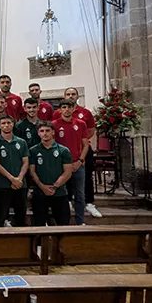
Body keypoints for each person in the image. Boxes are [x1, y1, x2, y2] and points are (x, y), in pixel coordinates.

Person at [58, 87, 101, 218]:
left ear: (77, 96)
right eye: (68, 94)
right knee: (66, 177)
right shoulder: (57, 115)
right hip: (65, 154)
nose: (70, 96)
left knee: (86, 177)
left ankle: (89, 203)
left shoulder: (85, 113)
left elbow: (91, 131)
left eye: (73, 94)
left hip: (82, 150)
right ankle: (68, 200)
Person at [52, 99, 89, 224]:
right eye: (64, 107)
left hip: (77, 164)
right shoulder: (54, 125)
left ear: (74, 108)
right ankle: (61, 222)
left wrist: (80, 160)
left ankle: (80, 221)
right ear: (60, 109)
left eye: (69, 107)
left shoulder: (81, 124)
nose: (67, 110)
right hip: (60, 165)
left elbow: (85, 145)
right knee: (59, 194)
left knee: (79, 195)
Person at [29, 121, 72, 226]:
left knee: (63, 224)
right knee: (38, 225)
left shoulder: (63, 150)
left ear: (53, 132)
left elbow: (68, 172)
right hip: (39, 193)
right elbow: (32, 171)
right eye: (42, 131)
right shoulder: (33, 151)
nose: (45, 133)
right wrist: (42, 187)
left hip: (60, 192)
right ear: (38, 133)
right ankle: (38, 243)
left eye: (47, 130)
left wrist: (55, 186)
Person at [0, 114, 30, 227]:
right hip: (3, 185)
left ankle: (23, 242)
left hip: (20, 184)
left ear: (13, 124)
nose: (6, 125)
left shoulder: (21, 142)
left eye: (9, 123)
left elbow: (25, 162)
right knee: (0, 216)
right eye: (3, 123)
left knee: (21, 216)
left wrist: (19, 179)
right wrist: (12, 179)